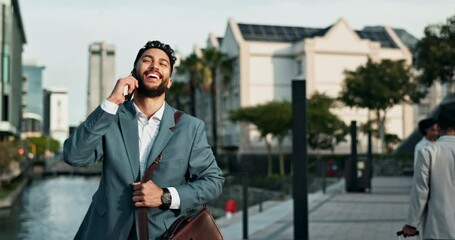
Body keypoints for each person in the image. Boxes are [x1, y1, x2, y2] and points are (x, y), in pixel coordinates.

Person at [63, 40, 224, 240]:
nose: (155, 65)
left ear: (169, 81)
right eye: (147, 60)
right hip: (106, 232)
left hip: (164, 235)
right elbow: (74, 156)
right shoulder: (111, 119)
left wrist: (166, 196)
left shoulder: (190, 127)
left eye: (163, 64)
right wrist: (111, 102)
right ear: (134, 74)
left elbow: (213, 182)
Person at [402, 103, 455, 239]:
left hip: (438, 227)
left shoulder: (428, 151)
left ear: (438, 126)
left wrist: (411, 223)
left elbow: (420, 190)